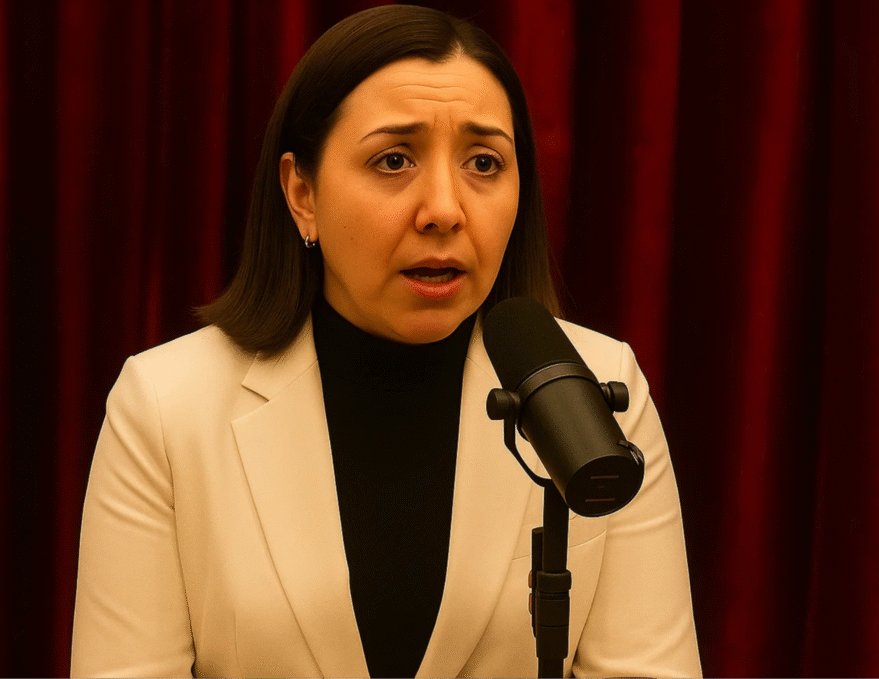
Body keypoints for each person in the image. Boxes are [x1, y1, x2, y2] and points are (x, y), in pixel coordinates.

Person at [70, 5, 701, 678]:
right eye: (394, 160)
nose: (444, 210)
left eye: (484, 162)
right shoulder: (165, 406)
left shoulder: (601, 387)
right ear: (302, 193)